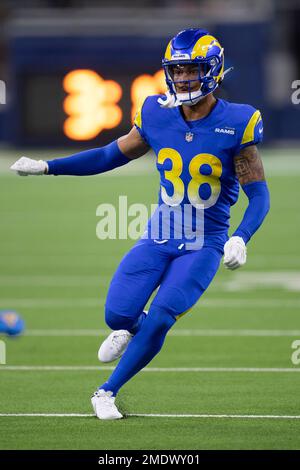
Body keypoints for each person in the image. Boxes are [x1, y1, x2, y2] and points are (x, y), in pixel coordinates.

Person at [11, 28, 270, 420]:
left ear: (213, 70)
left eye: (191, 70)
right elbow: (108, 156)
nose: (182, 78)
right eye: (177, 70)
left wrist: (241, 236)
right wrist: (49, 167)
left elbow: (260, 195)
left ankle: (106, 391)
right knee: (117, 315)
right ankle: (131, 329)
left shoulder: (238, 121)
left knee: (163, 314)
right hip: (159, 234)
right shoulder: (155, 113)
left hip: (205, 242)